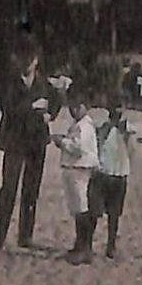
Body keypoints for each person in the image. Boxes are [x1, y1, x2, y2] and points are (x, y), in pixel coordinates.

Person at [0, 48, 61, 252]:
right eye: (24, 58)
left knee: (31, 190)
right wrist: (32, 106)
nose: (27, 63)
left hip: (36, 141)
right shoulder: (10, 83)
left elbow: (56, 100)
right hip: (15, 141)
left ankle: (25, 235)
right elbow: (8, 108)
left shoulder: (43, 84)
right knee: (8, 189)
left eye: (31, 59)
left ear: (37, 61)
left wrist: (50, 115)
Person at [53, 89, 100, 264]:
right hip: (75, 168)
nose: (73, 111)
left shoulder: (84, 127)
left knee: (81, 209)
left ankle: (84, 247)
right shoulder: (81, 125)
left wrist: (62, 142)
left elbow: (77, 148)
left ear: (84, 107)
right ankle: (80, 245)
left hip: (79, 169)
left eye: (76, 107)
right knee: (77, 208)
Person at [90, 94, 137, 259]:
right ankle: (88, 243)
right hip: (103, 173)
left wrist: (126, 134)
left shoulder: (129, 129)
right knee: (94, 211)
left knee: (114, 214)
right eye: (113, 108)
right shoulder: (103, 127)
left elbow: (132, 151)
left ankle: (111, 245)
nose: (116, 111)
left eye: (119, 107)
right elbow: (97, 145)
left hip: (119, 174)